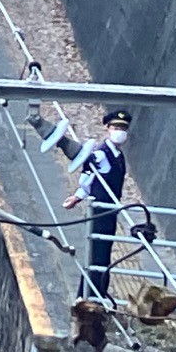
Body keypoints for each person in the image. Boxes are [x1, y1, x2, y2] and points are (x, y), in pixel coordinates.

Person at [63, 110, 131, 298]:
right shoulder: (100, 155)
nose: (120, 131)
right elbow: (88, 180)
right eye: (116, 127)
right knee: (97, 254)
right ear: (108, 128)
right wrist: (76, 198)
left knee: (105, 254)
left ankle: (99, 293)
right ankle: (86, 296)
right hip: (100, 210)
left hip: (111, 211)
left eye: (123, 128)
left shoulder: (119, 156)